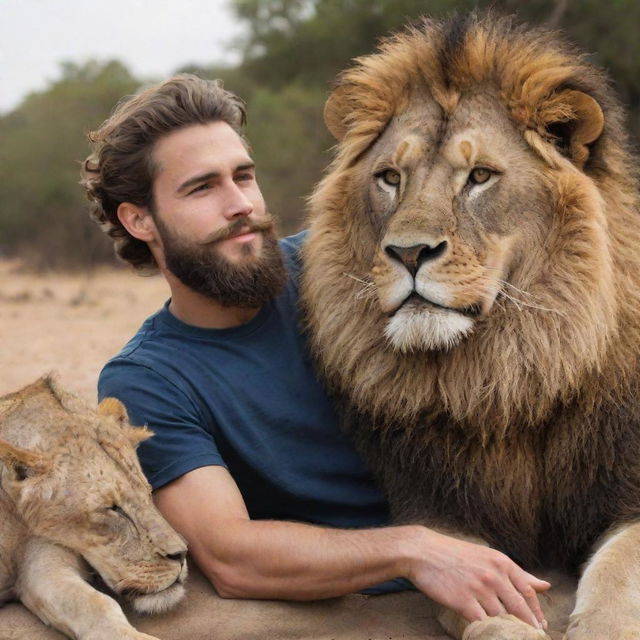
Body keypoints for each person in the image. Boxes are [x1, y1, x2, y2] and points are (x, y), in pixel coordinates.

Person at [82, 74, 550, 629]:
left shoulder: (341, 264)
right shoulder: (147, 380)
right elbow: (232, 557)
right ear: (139, 220)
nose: (241, 205)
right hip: (392, 594)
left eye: (244, 176)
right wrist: (418, 549)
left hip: (529, 536)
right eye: (201, 188)